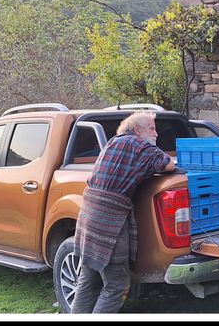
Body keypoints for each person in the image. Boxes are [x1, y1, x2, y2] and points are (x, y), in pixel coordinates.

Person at [70, 112, 175, 313]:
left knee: (88, 281)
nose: (156, 134)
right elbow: (168, 164)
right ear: (137, 130)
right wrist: (152, 147)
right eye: (152, 128)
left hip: (89, 218)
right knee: (116, 286)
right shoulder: (139, 145)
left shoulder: (113, 142)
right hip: (109, 223)